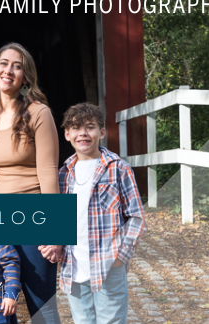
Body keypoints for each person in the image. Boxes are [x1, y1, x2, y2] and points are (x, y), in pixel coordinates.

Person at [0, 42, 61, 324]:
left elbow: (48, 172)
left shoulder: (38, 113)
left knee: (41, 306)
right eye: (3, 63)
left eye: (17, 66)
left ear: (25, 76)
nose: (8, 70)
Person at [58, 103, 145, 324]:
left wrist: (121, 256)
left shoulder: (118, 168)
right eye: (76, 128)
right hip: (74, 265)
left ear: (102, 132)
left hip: (108, 264)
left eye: (90, 127)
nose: (83, 133)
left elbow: (136, 217)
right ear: (67, 134)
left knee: (111, 320)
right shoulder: (63, 174)